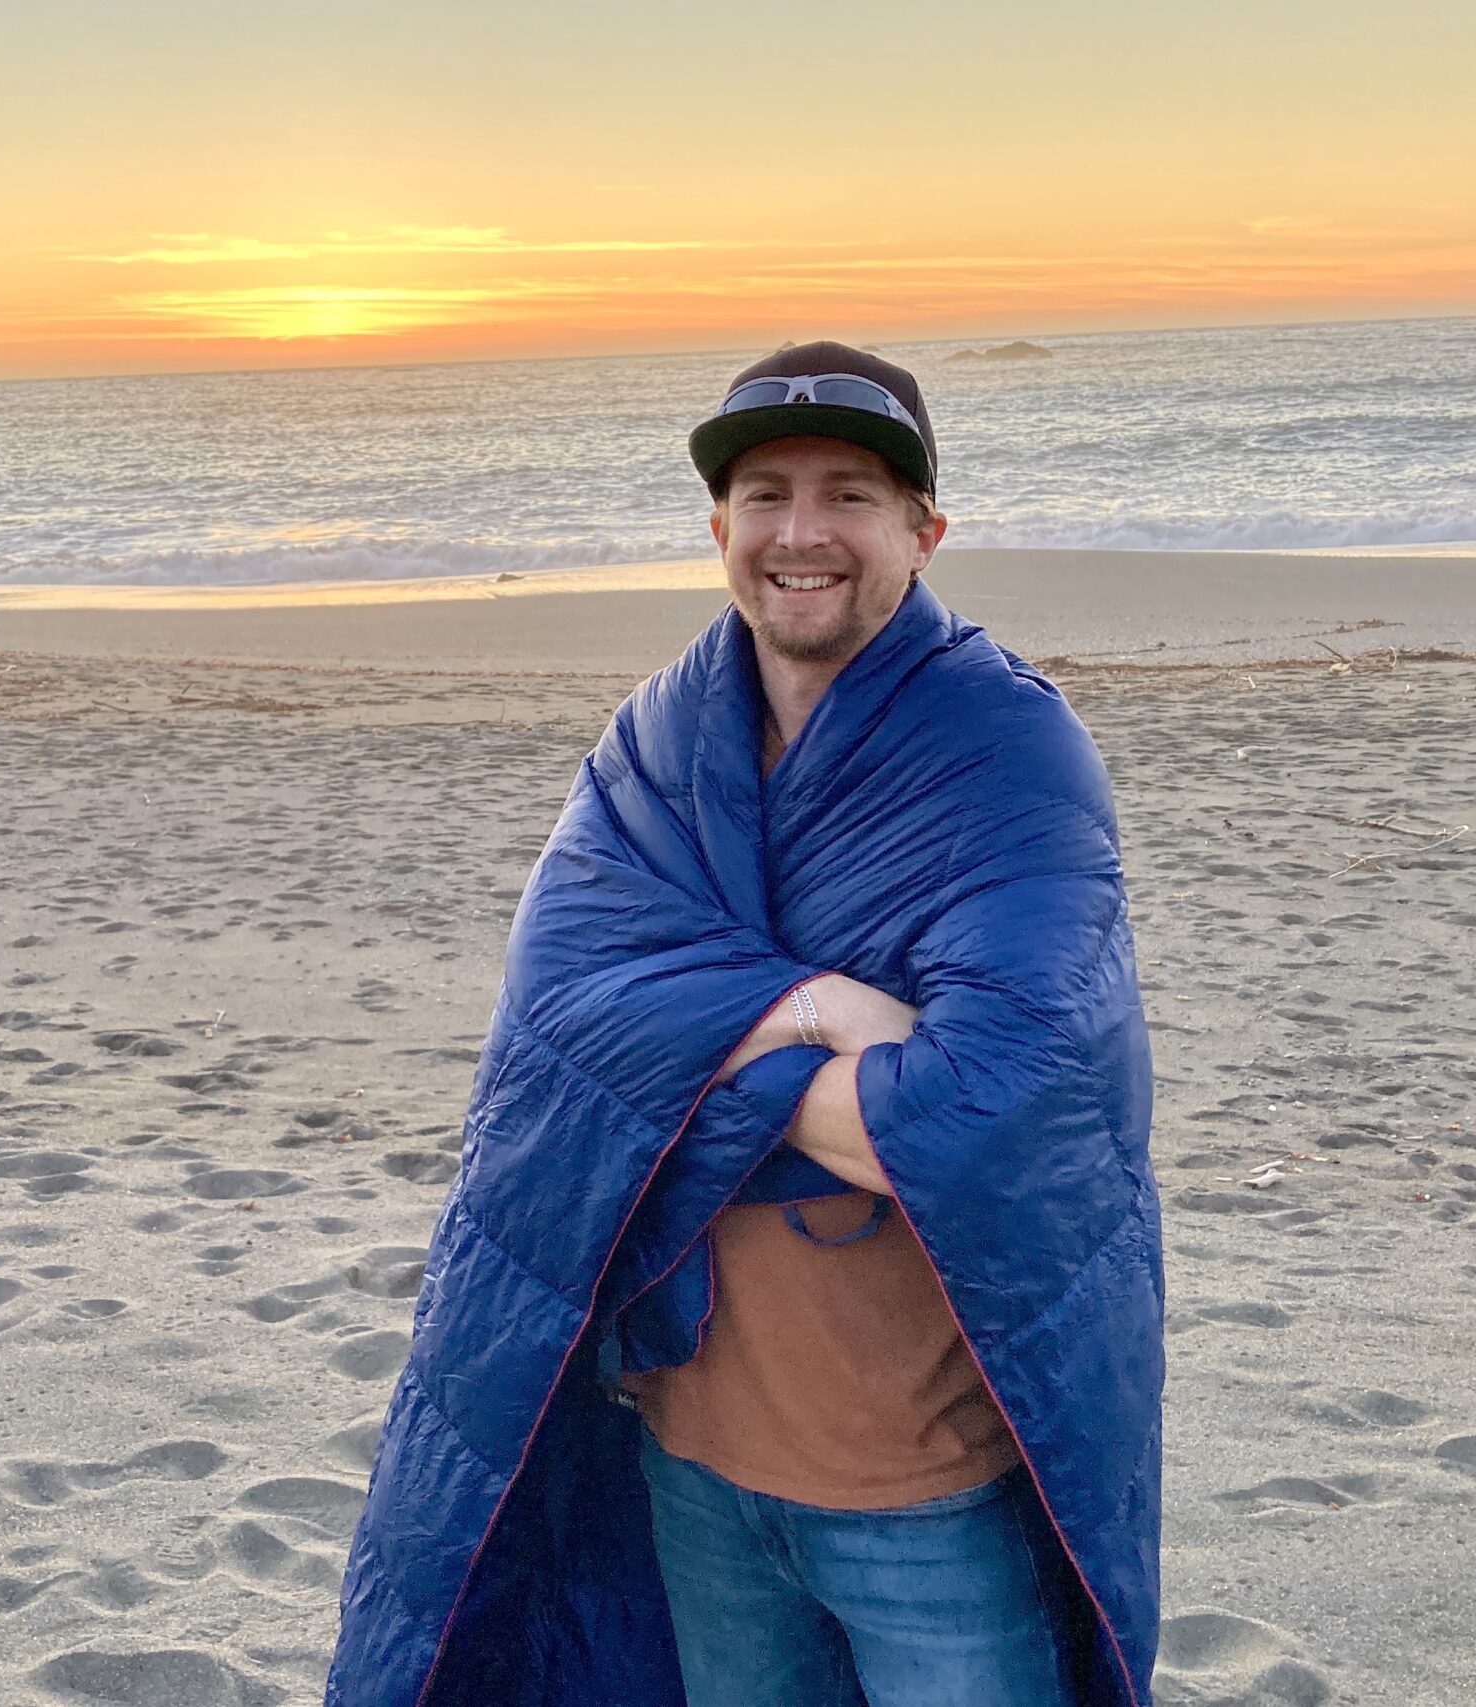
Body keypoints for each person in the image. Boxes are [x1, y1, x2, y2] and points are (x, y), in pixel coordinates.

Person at [327, 343, 1162, 1707]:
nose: (802, 532)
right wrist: (814, 1012)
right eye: (765, 493)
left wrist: (682, 1058)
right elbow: (562, 1016)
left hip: (920, 1477)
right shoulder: (658, 740)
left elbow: (982, 1111)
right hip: (694, 1454)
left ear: (923, 530)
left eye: (850, 493)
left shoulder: (1005, 752)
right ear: (719, 528)